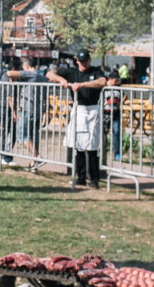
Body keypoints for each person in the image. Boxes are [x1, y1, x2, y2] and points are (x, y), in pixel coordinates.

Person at [47, 49, 115, 189]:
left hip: (92, 111)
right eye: (81, 61)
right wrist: (62, 80)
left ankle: (94, 178)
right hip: (78, 110)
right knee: (77, 145)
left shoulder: (96, 71)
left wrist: (82, 85)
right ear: (77, 61)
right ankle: (81, 176)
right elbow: (50, 73)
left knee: (92, 147)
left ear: (89, 60)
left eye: (86, 61)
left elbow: (102, 81)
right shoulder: (71, 71)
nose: (83, 63)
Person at [7, 57, 47, 170]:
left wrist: (15, 75)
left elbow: (9, 73)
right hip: (38, 110)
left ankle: (37, 157)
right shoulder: (42, 77)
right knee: (34, 137)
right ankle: (34, 162)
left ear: (26, 66)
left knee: (21, 136)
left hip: (27, 109)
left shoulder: (31, 74)